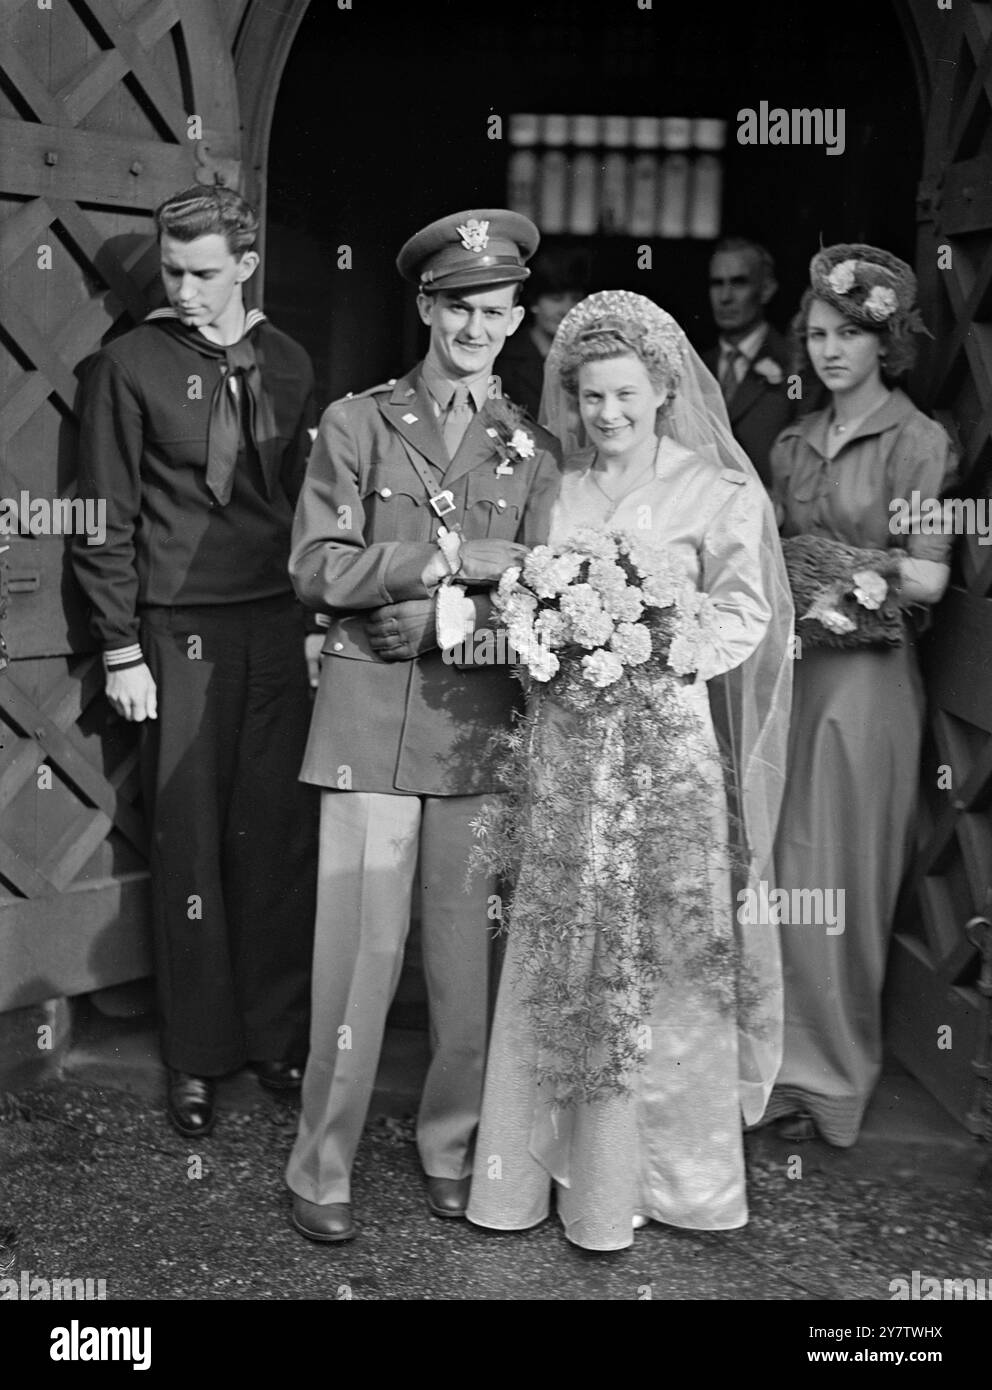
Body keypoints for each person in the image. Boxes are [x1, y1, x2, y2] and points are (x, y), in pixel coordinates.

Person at [466, 289, 794, 1251]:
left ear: (662, 390)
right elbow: (522, 596)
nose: (606, 415)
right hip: (569, 747)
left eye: (624, 396)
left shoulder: (716, 490)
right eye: (590, 398)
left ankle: (670, 1180)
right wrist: (544, 633)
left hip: (663, 747)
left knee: (665, 954)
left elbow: (746, 613)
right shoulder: (553, 488)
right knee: (560, 944)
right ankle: (540, 1175)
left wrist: (658, 641)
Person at [285, 209, 562, 1244]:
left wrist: (453, 614)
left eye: (494, 310)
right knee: (352, 957)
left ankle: (453, 1147)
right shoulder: (358, 422)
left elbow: (541, 602)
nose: (475, 327)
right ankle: (320, 1162)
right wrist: (437, 564)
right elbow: (315, 563)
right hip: (363, 720)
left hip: (471, 724)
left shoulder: (531, 447)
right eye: (457, 307)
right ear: (425, 307)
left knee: (462, 963)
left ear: (516, 315)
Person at [72, 185, 319, 1139]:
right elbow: (104, 518)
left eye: (204, 272)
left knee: (275, 837)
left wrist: (314, 623)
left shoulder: (290, 363)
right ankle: (198, 1058)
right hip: (177, 635)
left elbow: (312, 506)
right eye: (172, 270)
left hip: (275, 628)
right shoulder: (125, 367)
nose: (183, 288)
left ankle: (276, 1038)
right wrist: (121, 647)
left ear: (245, 266)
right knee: (190, 843)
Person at [763, 244, 956, 1146]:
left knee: (843, 875)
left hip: (870, 686)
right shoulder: (792, 441)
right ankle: (774, 1066)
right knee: (782, 872)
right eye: (816, 335)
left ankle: (836, 1080)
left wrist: (845, 570)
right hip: (794, 676)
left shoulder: (920, 442)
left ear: (884, 340)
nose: (829, 350)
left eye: (848, 333)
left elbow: (924, 576)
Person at [703, 237, 796, 489]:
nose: (725, 297)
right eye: (716, 284)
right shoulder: (695, 366)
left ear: (765, 289)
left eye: (739, 283)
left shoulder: (794, 365)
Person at [493, 247, 588, 417]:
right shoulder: (504, 357)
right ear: (534, 302)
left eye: (574, 298)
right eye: (556, 299)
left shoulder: (591, 355)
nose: (566, 309)